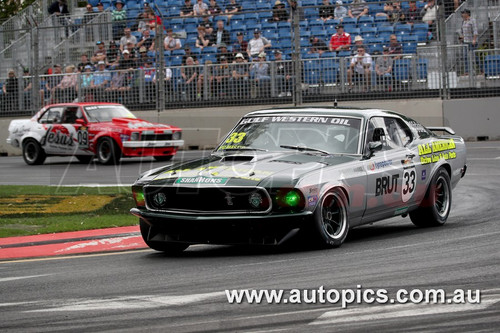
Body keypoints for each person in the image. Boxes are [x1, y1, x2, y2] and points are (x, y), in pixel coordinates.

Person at [459, 8, 478, 75]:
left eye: (463, 13)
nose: (462, 15)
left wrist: (474, 39)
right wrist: (461, 37)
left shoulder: (472, 20)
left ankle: (480, 70)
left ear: (467, 14)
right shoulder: (463, 22)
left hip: (471, 41)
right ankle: (467, 71)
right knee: (465, 56)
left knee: (475, 56)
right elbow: (463, 32)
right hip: (465, 42)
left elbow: (475, 31)